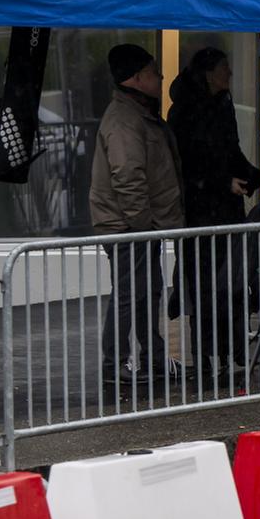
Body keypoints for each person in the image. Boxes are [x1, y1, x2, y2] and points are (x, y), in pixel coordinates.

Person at [167, 46, 260, 384]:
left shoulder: (223, 105)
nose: (230, 74)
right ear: (208, 72)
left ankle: (231, 351)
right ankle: (206, 355)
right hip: (200, 212)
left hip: (226, 209)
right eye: (225, 68)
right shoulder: (184, 111)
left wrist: (253, 174)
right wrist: (222, 182)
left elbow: (231, 150)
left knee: (231, 283)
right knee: (205, 286)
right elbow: (187, 164)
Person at [90, 43, 182, 386]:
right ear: (138, 78)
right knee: (130, 295)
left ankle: (152, 356)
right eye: (154, 72)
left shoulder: (138, 112)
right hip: (129, 226)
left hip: (140, 224)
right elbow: (127, 176)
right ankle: (115, 364)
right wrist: (142, 224)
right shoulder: (125, 119)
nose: (160, 77)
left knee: (148, 291)